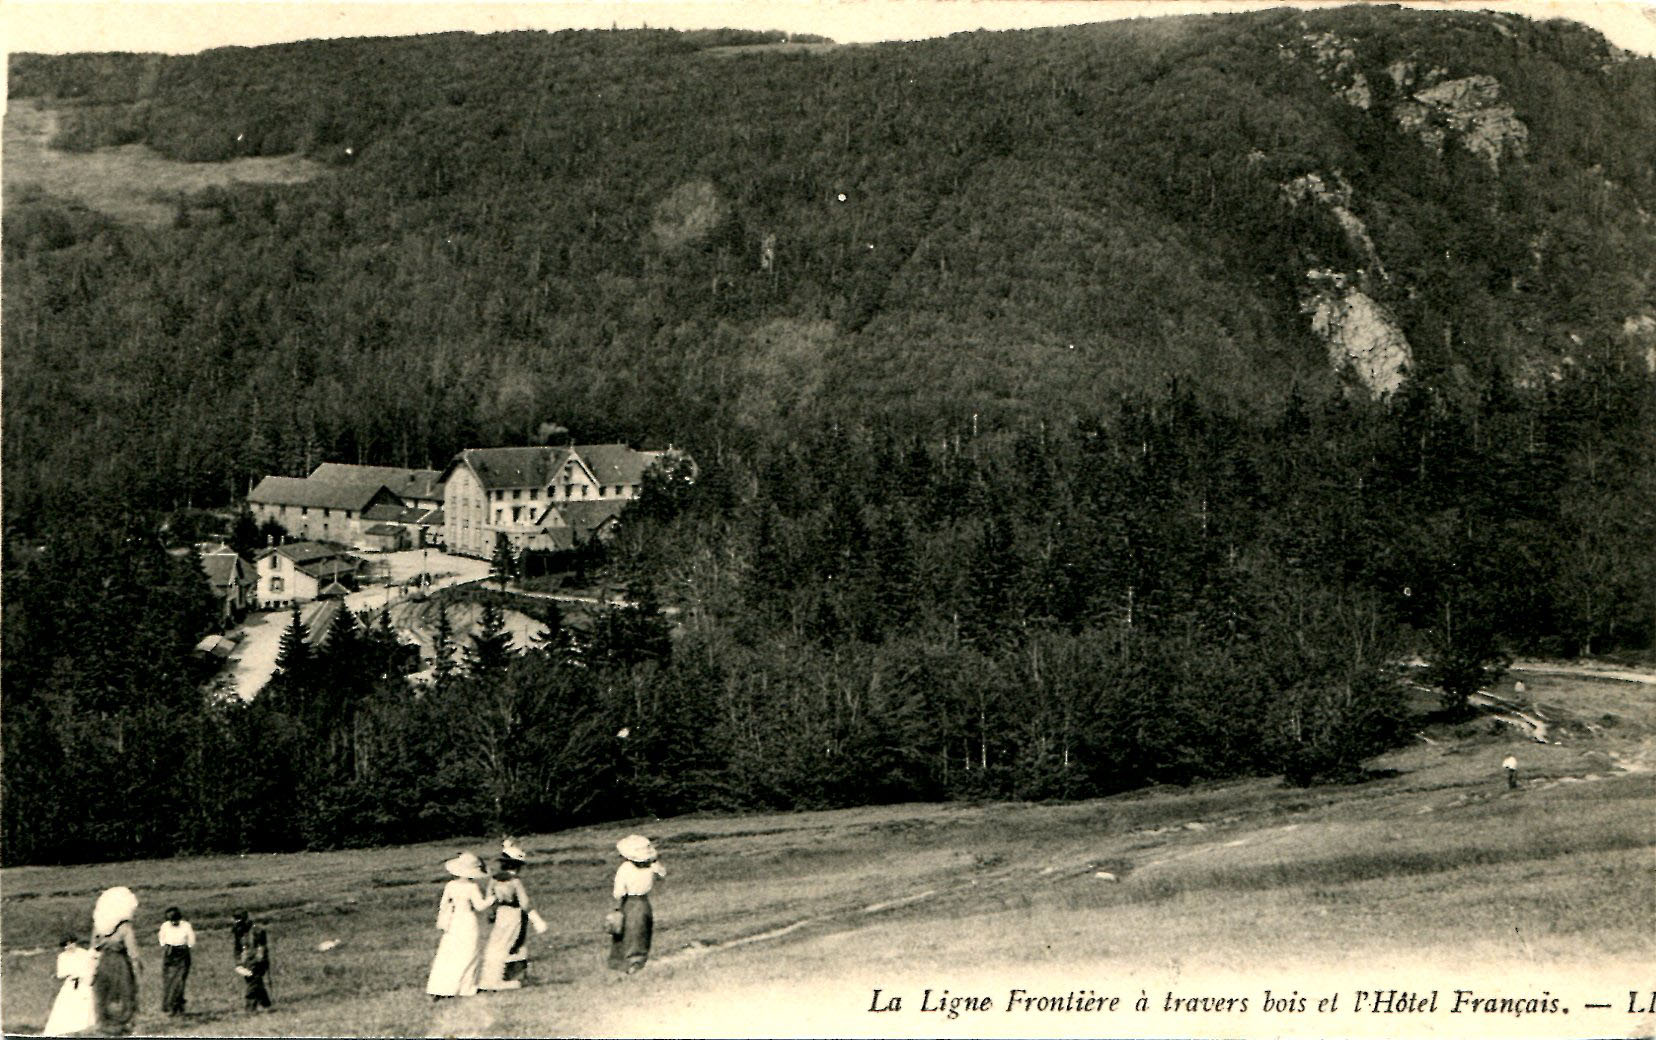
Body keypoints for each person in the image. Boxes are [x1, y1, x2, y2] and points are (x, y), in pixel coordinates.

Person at [426, 852, 494, 999]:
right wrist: (492, 898)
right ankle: (467, 987)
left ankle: (442, 987)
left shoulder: (450, 885)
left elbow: (444, 905)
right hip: (467, 920)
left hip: (454, 921)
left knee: (450, 953)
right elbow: (480, 906)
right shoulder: (471, 887)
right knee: (469, 953)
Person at [478, 840, 534, 990]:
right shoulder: (515, 881)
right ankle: (503, 978)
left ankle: (488, 977)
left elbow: (490, 899)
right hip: (514, 913)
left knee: (496, 944)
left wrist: (492, 913)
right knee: (511, 943)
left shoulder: (494, 880)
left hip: (501, 913)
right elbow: (525, 903)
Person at [608, 834, 666, 975]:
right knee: (642, 930)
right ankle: (637, 960)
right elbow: (662, 874)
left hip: (629, 901)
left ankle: (623, 962)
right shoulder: (652, 867)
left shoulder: (625, 868)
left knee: (625, 930)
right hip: (644, 902)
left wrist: (617, 906)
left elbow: (619, 891)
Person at [90, 886, 141, 1036]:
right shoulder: (125, 927)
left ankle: (105, 1022)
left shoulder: (99, 927)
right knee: (124, 990)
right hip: (120, 961)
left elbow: (94, 946)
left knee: (104, 991)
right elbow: (132, 949)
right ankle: (123, 1022)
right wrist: (137, 963)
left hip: (104, 962)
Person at [42, 935, 97, 1036]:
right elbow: (61, 973)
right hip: (71, 983)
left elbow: (91, 968)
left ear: (75, 942)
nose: (69, 947)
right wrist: (72, 973)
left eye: (71, 943)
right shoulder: (62, 957)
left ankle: (83, 1028)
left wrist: (85, 976)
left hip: (84, 983)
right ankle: (66, 1029)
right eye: (66, 945)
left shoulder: (83, 953)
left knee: (85, 1006)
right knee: (66, 1005)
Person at [157, 906, 196, 1016]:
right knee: (169, 981)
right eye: (171, 921)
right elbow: (161, 938)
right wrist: (167, 946)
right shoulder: (165, 926)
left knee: (179, 981)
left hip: (182, 954)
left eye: (175, 920)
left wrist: (184, 947)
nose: (173, 923)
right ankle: (170, 1006)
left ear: (179, 918)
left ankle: (178, 1006)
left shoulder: (186, 926)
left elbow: (191, 941)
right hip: (170, 954)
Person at [231, 912, 272, 1011]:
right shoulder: (238, 931)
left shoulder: (257, 930)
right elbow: (237, 948)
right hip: (246, 961)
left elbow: (262, 948)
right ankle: (265, 1004)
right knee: (255, 982)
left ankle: (250, 1007)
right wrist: (238, 962)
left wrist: (259, 960)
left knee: (253, 981)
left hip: (256, 962)